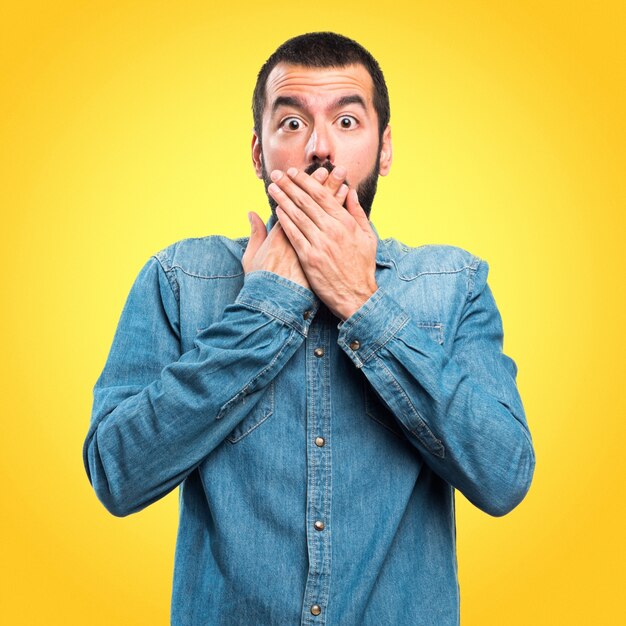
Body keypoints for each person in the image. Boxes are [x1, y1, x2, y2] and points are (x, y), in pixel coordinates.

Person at [83, 32, 535, 625]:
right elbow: (117, 475)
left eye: (347, 122)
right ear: (257, 151)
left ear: (385, 148)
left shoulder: (454, 283)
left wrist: (363, 304)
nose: (320, 149)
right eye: (292, 124)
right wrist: (264, 309)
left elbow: (503, 479)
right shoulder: (179, 279)